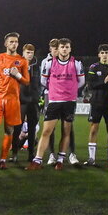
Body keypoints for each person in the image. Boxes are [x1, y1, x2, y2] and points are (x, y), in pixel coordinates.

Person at [27, 38, 84, 170]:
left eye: (67, 47)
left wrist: (69, 91)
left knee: (66, 131)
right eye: (62, 47)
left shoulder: (76, 64)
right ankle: (37, 160)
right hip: (54, 101)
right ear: (57, 49)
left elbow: (81, 82)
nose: (64, 49)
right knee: (46, 130)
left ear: (70, 49)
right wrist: (55, 90)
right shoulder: (49, 63)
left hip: (69, 101)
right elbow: (43, 81)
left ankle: (60, 160)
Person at [0, 32, 30, 171]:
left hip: (13, 100)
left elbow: (26, 81)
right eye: (11, 41)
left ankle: (3, 160)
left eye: (16, 42)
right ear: (6, 43)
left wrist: (18, 75)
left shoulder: (22, 61)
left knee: (9, 130)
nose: (14, 44)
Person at [85, 44, 108, 167]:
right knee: (94, 128)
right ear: (99, 54)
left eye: (107, 52)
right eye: (102, 52)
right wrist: (104, 82)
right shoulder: (94, 67)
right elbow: (90, 85)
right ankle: (91, 158)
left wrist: (104, 83)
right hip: (96, 102)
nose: (105, 54)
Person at [12, 44, 41, 163]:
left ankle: (31, 154)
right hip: (21, 101)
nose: (30, 55)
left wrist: (37, 96)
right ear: (23, 53)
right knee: (17, 128)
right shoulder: (17, 64)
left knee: (32, 128)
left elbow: (38, 84)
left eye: (31, 53)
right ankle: (14, 153)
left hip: (33, 102)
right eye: (28, 52)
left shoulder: (37, 66)